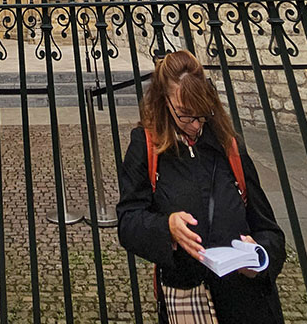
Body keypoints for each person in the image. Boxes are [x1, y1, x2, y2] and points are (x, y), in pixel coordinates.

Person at [117, 50, 285, 324]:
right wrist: (166, 227)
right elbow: (128, 221)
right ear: (164, 102)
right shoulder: (146, 146)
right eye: (185, 115)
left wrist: (259, 258)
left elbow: (270, 231)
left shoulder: (228, 145)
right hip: (187, 298)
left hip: (247, 304)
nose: (195, 124)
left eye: (201, 115)